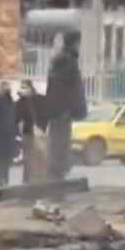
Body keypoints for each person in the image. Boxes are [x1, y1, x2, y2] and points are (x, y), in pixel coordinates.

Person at [46, 31, 87, 180]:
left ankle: (57, 172)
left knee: (57, 141)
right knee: (61, 142)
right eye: (78, 42)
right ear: (75, 43)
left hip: (57, 109)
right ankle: (58, 173)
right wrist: (73, 108)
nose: (80, 46)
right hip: (63, 110)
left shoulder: (58, 62)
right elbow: (71, 90)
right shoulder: (69, 62)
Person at [16, 80, 48, 183]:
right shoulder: (21, 102)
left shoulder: (40, 99)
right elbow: (16, 117)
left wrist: (42, 128)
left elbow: (46, 114)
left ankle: (38, 179)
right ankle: (27, 179)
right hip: (27, 133)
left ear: (31, 88)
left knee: (39, 156)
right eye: (22, 87)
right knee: (28, 157)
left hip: (39, 132)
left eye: (25, 87)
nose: (23, 89)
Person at [0, 80, 17, 190]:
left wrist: (15, 132)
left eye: (8, 86)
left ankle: (4, 179)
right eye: (4, 86)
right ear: (0, 88)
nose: (7, 88)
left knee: (6, 159)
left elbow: (13, 118)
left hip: (8, 135)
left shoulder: (10, 100)